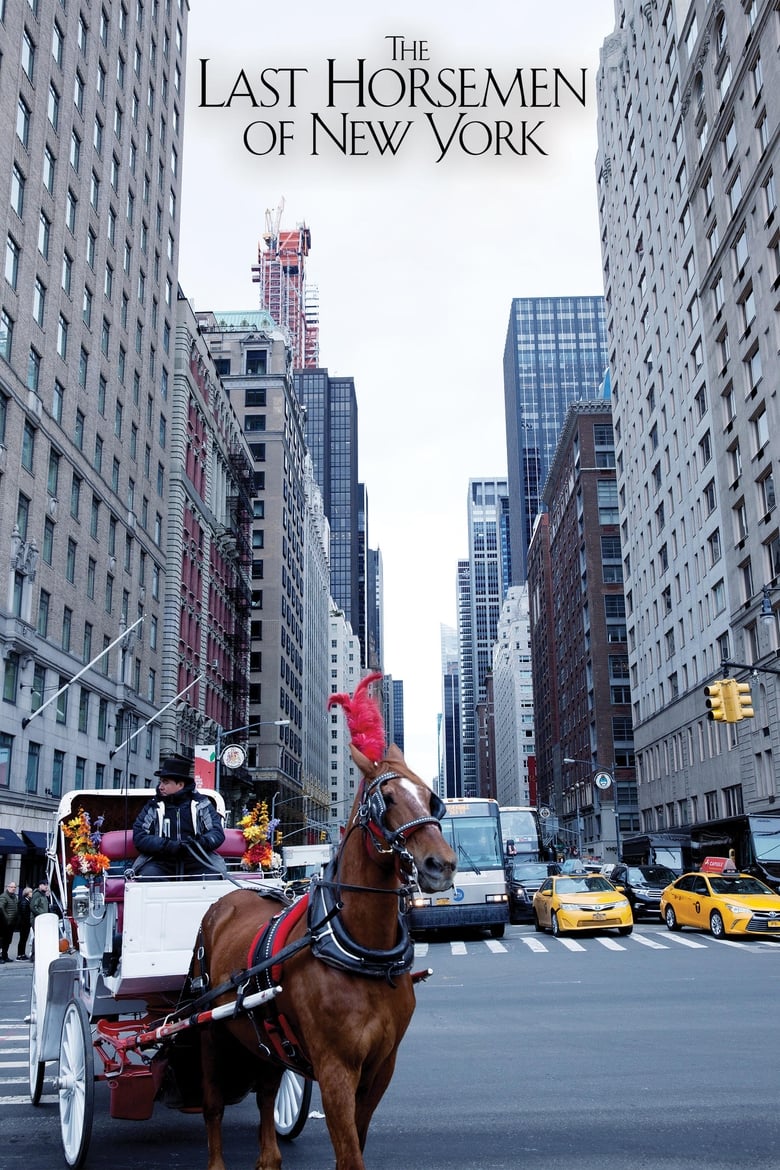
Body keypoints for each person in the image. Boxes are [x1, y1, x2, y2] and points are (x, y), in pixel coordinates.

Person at [132, 753, 226, 878]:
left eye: (165, 782)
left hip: (198, 860)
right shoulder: (153, 807)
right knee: (148, 877)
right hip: (160, 861)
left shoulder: (202, 804)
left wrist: (199, 843)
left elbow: (217, 833)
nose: (160, 787)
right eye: (160, 782)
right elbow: (139, 836)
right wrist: (166, 845)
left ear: (180, 785)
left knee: (210, 877)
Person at [0, 881, 20, 963]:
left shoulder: (14, 896)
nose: (13, 889)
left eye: (14, 887)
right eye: (11, 887)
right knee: (1, 940)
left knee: (8, 940)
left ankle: (5, 955)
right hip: (4, 923)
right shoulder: (4, 896)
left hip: (12, 923)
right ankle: (0, 957)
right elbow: (1, 907)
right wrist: (7, 918)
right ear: (7, 887)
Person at [16, 887, 32, 960]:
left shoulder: (26, 901)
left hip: (24, 923)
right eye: (30, 892)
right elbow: (24, 913)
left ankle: (22, 954)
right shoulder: (24, 902)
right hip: (24, 924)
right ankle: (20, 955)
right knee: (23, 939)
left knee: (24, 939)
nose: (32, 894)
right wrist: (28, 921)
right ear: (27, 894)